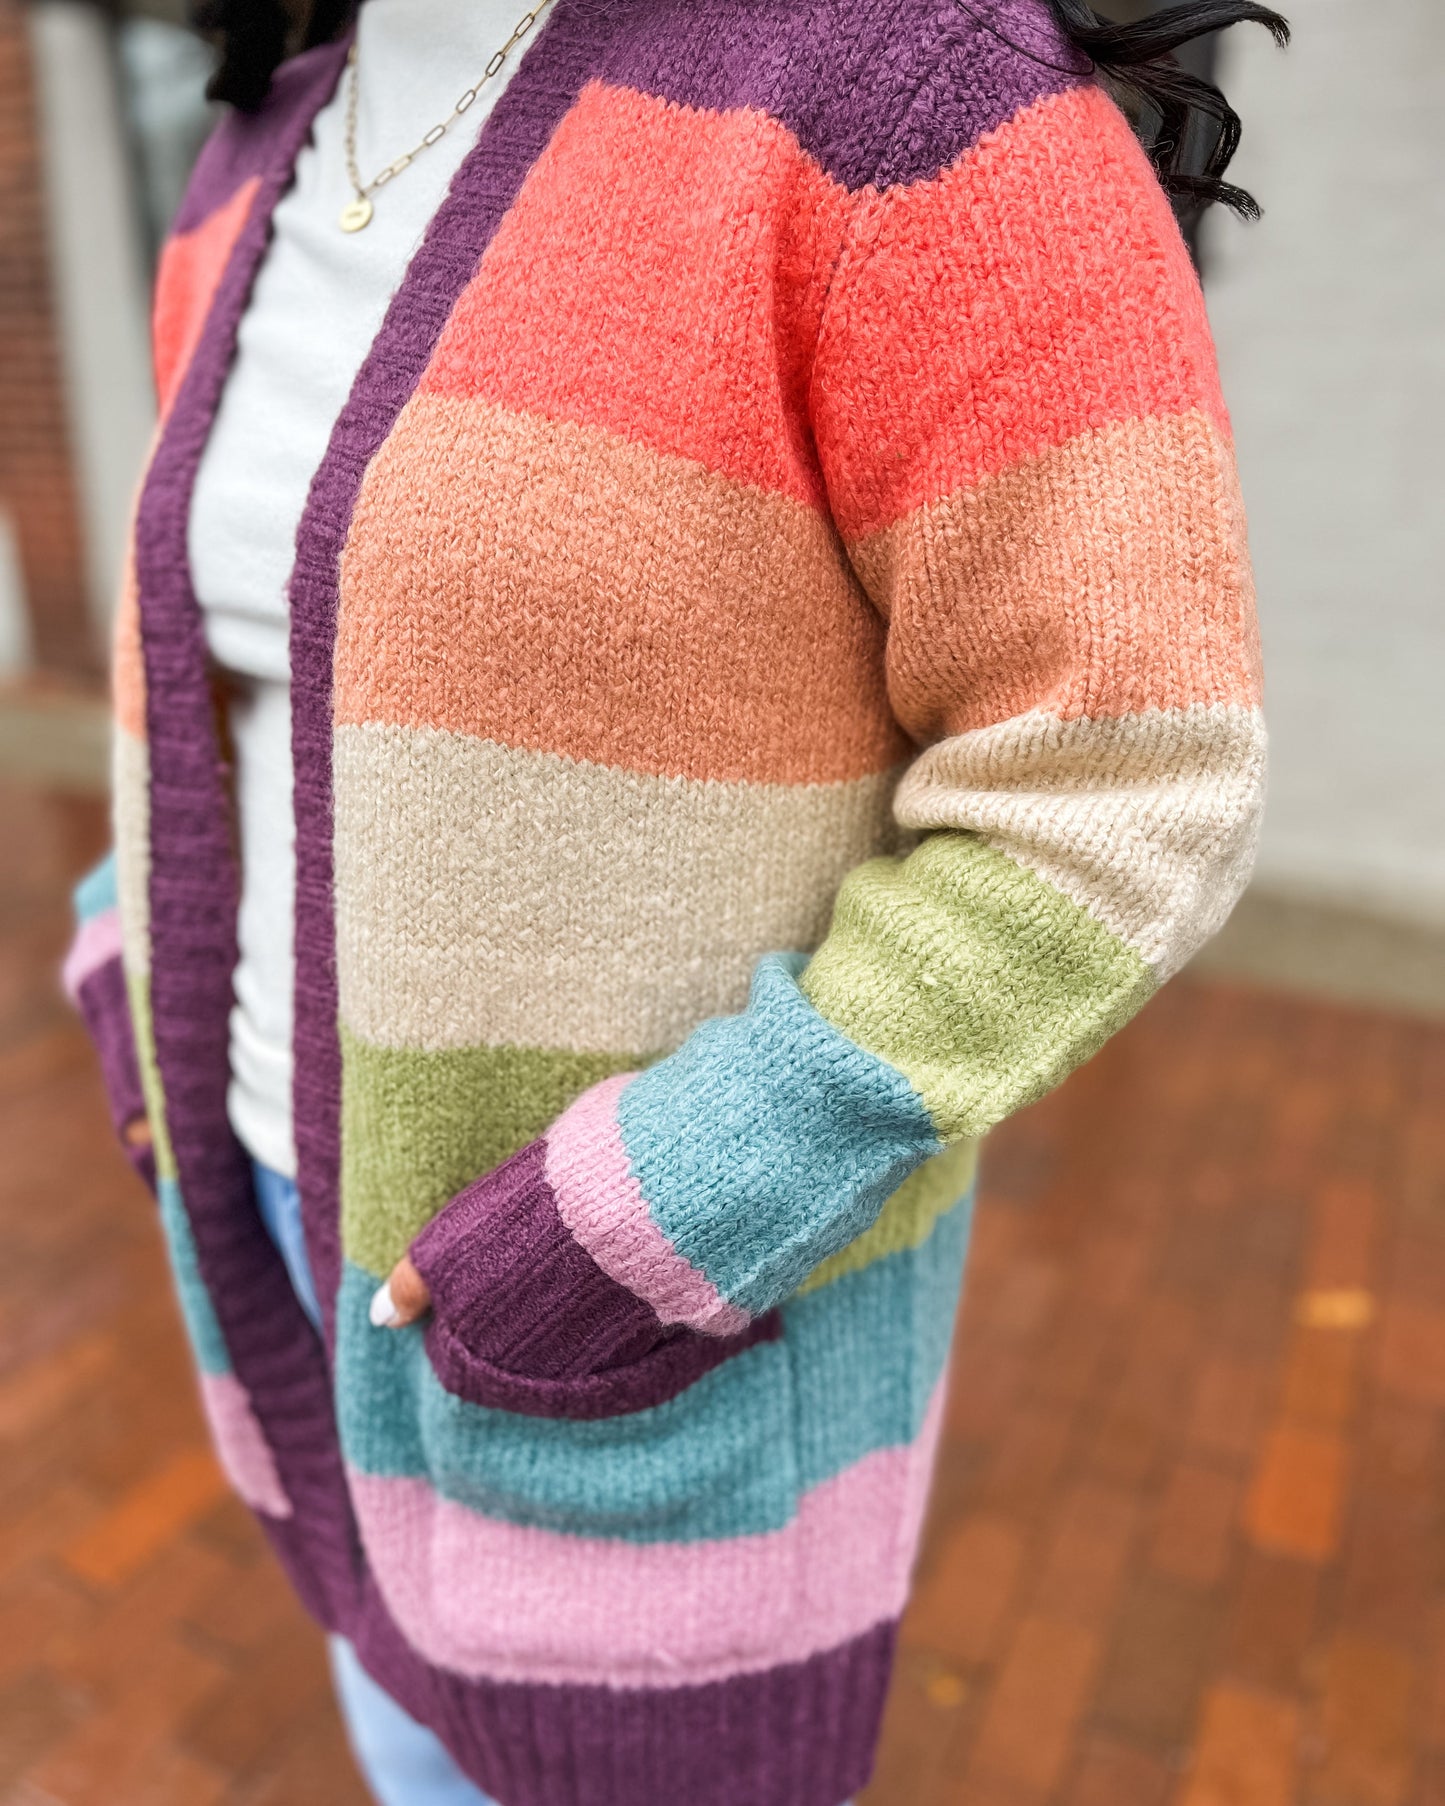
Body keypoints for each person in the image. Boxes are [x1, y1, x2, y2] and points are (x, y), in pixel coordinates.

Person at [61, 0, 1286, 1799]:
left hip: (627, 1287)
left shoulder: (903, 99)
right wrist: (123, 954)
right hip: (270, 1213)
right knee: (409, 1756)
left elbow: (1124, 780)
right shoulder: (273, 130)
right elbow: (235, 669)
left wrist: (650, 1213)